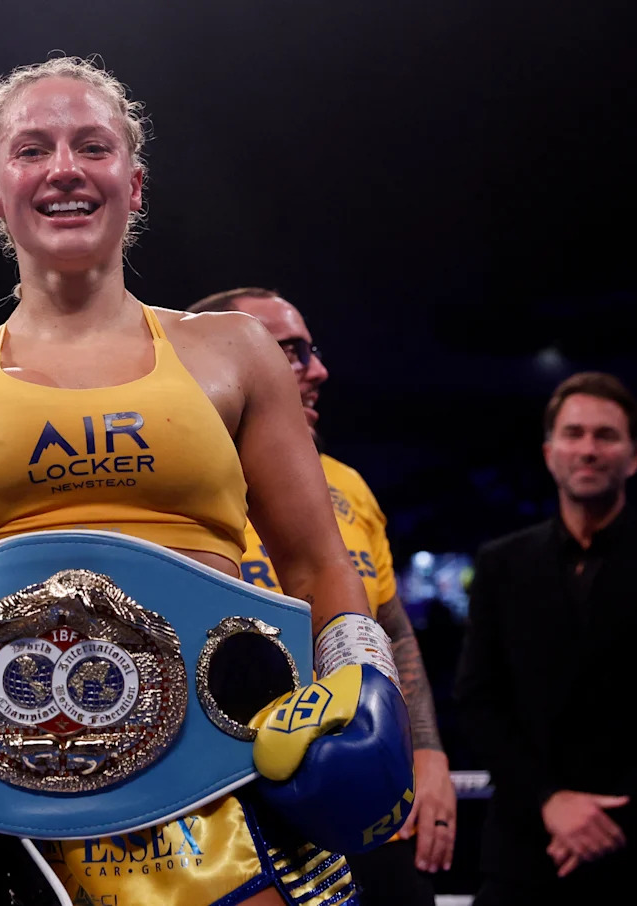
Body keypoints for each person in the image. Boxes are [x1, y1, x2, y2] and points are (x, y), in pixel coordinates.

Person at [0, 56, 413, 906]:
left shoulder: (233, 353)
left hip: (219, 762)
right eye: (33, 149)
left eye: (93, 146)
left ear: (134, 182)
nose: (65, 168)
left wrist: (362, 681)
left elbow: (318, 565)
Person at [186, 287, 456, 904]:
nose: (318, 371)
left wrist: (427, 752)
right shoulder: (164, 489)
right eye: (290, 352)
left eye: (311, 350)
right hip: (226, 810)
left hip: (361, 790)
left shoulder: (348, 485)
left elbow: (391, 627)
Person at [454, 371, 637, 904]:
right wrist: (549, 800)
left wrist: (618, 815)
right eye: (574, 433)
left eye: (605, 435)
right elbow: (477, 699)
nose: (588, 449)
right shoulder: (501, 563)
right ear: (549, 452)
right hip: (524, 847)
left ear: (634, 456)